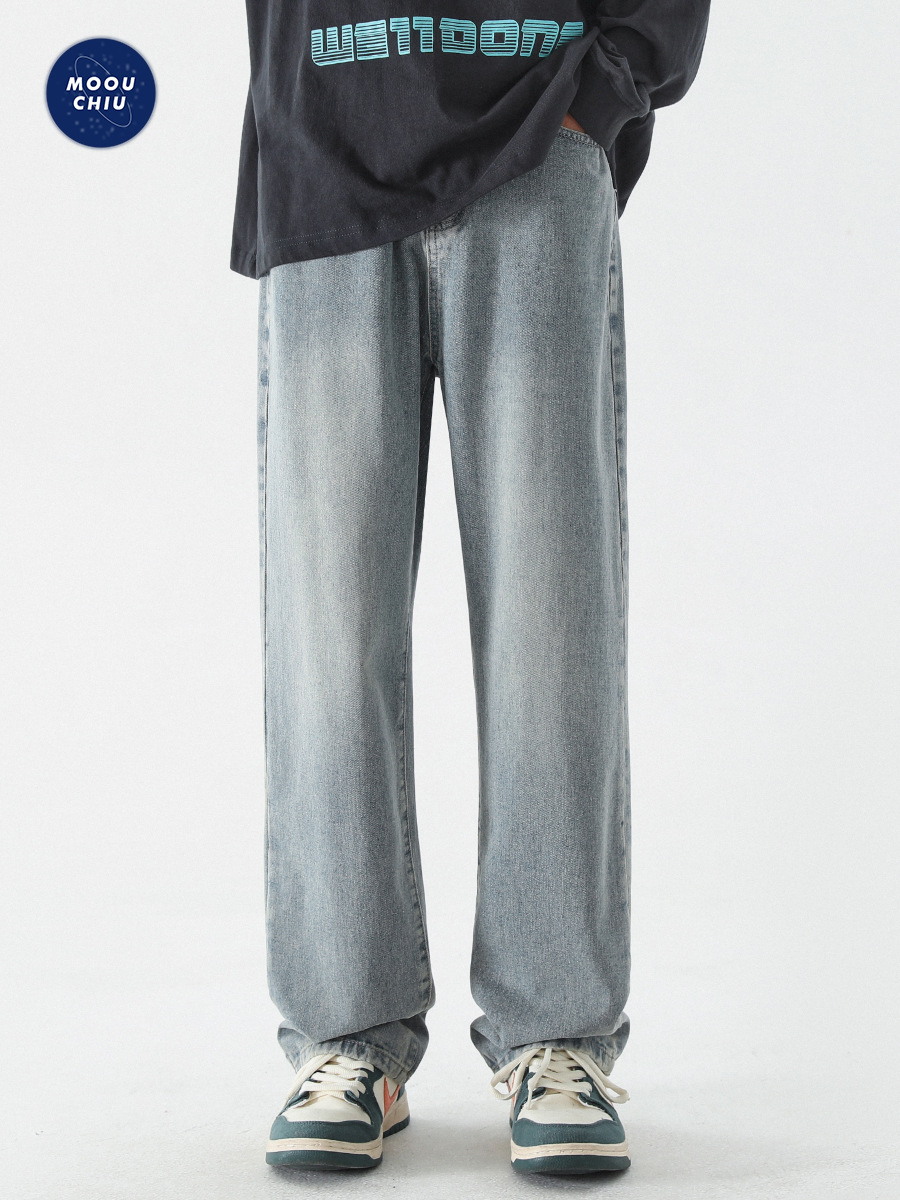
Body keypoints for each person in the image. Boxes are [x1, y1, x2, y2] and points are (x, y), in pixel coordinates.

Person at [231, 0, 710, 1176]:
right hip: (327, 139)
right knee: (329, 626)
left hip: (539, 128)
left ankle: (558, 1035)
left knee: (553, 619)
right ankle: (347, 1036)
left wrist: (603, 90)